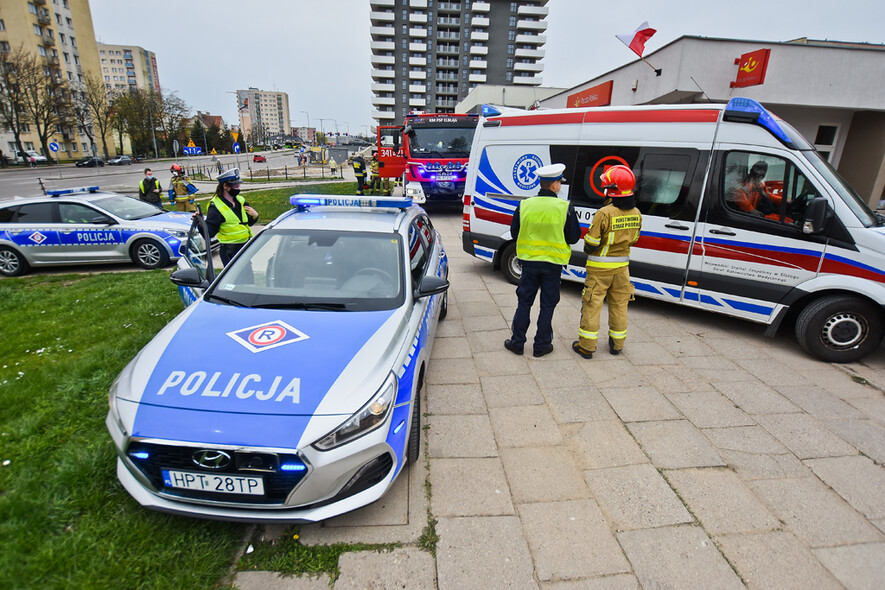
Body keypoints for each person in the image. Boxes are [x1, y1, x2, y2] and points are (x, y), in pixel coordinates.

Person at [504, 163, 581, 358]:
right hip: (553, 265)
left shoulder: (525, 205)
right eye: (559, 183)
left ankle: (517, 343)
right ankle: (541, 346)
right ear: (554, 185)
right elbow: (573, 237)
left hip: (528, 263)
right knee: (547, 305)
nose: (560, 186)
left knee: (524, 302)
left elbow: (514, 232)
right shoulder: (565, 207)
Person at [573, 165, 642, 359]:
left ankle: (586, 346)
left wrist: (590, 245)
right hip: (622, 270)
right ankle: (617, 345)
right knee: (620, 305)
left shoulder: (604, 213)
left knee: (592, 305)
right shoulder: (636, 212)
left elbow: (591, 243)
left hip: (599, 270)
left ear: (612, 189)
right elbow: (634, 240)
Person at [205, 168, 259, 266]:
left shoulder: (240, 200)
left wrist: (255, 216)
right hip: (229, 250)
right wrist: (199, 222)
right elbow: (209, 232)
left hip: (244, 246)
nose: (238, 188)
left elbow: (248, 223)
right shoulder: (215, 206)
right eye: (235, 186)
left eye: (239, 185)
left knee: (248, 277)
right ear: (225, 186)